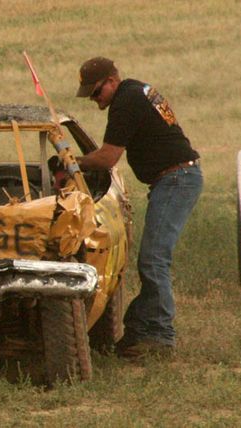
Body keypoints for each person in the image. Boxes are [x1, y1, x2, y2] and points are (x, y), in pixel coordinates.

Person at [65, 57, 203, 358]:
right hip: (176, 177)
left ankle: (159, 336)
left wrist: (71, 163)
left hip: (176, 179)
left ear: (111, 81)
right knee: (152, 259)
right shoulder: (137, 91)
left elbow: (107, 158)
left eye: (96, 92)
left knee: (154, 260)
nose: (94, 100)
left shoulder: (125, 101)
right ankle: (140, 329)